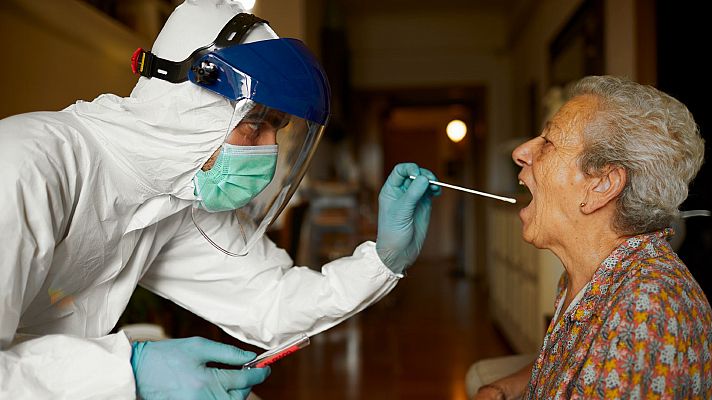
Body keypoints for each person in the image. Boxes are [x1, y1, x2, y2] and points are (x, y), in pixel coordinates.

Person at [0, 1, 440, 399]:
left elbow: (271, 303)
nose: (267, 149)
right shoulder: (25, 167)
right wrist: (126, 372)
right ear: (191, 102)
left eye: (277, 127)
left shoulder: (175, 197)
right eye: (256, 124)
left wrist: (383, 260)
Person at [475, 75, 711, 399]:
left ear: (601, 185)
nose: (520, 151)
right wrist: (506, 386)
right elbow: (570, 362)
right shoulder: (590, 274)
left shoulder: (647, 308)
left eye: (548, 142)